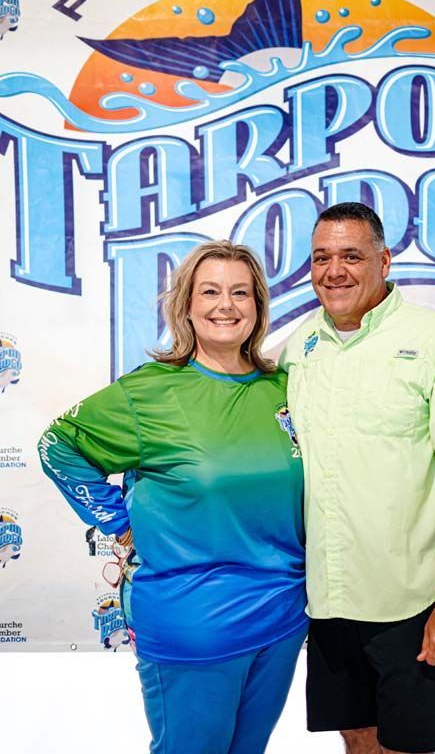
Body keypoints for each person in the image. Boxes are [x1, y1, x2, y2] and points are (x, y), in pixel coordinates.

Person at [38, 240, 307, 754]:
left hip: (282, 615)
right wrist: (117, 522)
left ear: (259, 306)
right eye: (210, 291)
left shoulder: (285, 388)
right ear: (186, 304)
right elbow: (59, 445)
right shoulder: (150, 392)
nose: (225, 305)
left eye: (240, 293)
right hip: (193, 619)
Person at [280, 202, 435, 754]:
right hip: (328, 601)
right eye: (321, 257)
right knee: (357, 739)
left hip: (413, 603)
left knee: (410, 745)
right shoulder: (301, 347)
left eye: (351, 255)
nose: (334, 270)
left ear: (385, 260)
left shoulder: (432, 339)